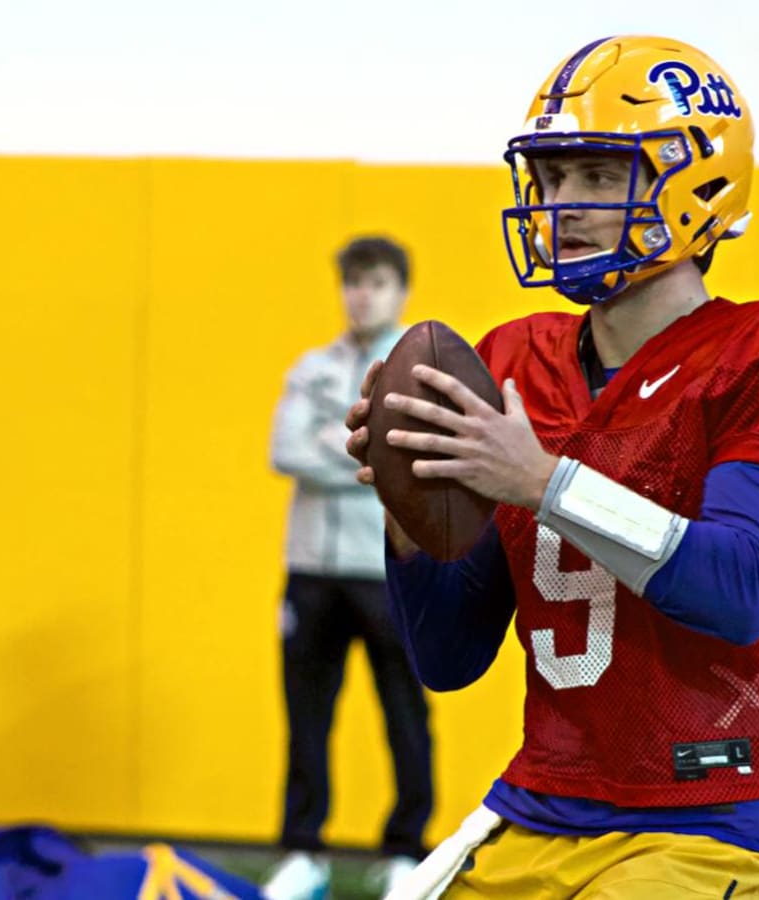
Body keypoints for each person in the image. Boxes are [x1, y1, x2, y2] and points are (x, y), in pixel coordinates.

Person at [345, 35, 759, 899]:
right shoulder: (513, 360)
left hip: (703, 820)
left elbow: (740, 588)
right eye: (553, 179)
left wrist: (540, 482)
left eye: (598, 175)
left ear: (697, 183)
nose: (564, 205)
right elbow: (446, 656)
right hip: (537, 809)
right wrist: (407, 501)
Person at [265, 236, 435, 900]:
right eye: (352, 282)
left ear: (401, 291)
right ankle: (302, 852)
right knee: (306, 714)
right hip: (310, 567)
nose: (361, 294)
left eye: (376, 283)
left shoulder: (419, 370)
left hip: (384, 569)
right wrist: (365, 454)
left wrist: (340, 449)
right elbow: (284, 450)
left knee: (404, 713)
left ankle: (405, 850)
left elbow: (411, 455)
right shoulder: (311, 367)